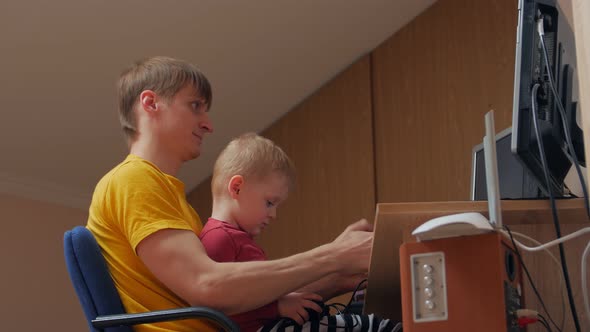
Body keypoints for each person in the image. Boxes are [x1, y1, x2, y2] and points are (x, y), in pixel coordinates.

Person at [86, 56, 375, 332]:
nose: (208, 124)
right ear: (151, 103)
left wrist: (336, 278)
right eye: (195, 105)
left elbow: (238, 303)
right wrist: (335, 255)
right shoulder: (133, 180)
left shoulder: (168, 196)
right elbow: (208, 287)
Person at [200, 133, 400, 332]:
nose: (274, 214)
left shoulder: (237, 239)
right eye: (269, 203)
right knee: (370, 326)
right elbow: (218, 308)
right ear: (237, 188)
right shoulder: (218, 238)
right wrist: (277, 307)